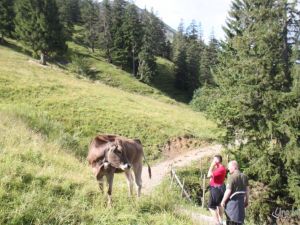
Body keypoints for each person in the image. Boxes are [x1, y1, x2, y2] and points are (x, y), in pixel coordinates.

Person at [221, 160, 250, 225]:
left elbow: (228, 191)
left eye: (229, 167)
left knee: (231, 222)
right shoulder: (244, 176)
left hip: (232, 206)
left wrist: (223, 201)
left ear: (234, 167)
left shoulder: (232, 177)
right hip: (241, 205)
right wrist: (247, 201)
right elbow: (247, 190)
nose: (228, 169)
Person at [207, 155, 227, 225]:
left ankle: (217, 222)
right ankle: (220, 220)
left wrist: (211, 166)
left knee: (211, 206)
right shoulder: (220, 168)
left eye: (214, 160)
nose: (213, 161)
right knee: (219, 204)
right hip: (219, 187)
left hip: (216, 188)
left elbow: (208, 175)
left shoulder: (220, 169)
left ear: (217, 161)